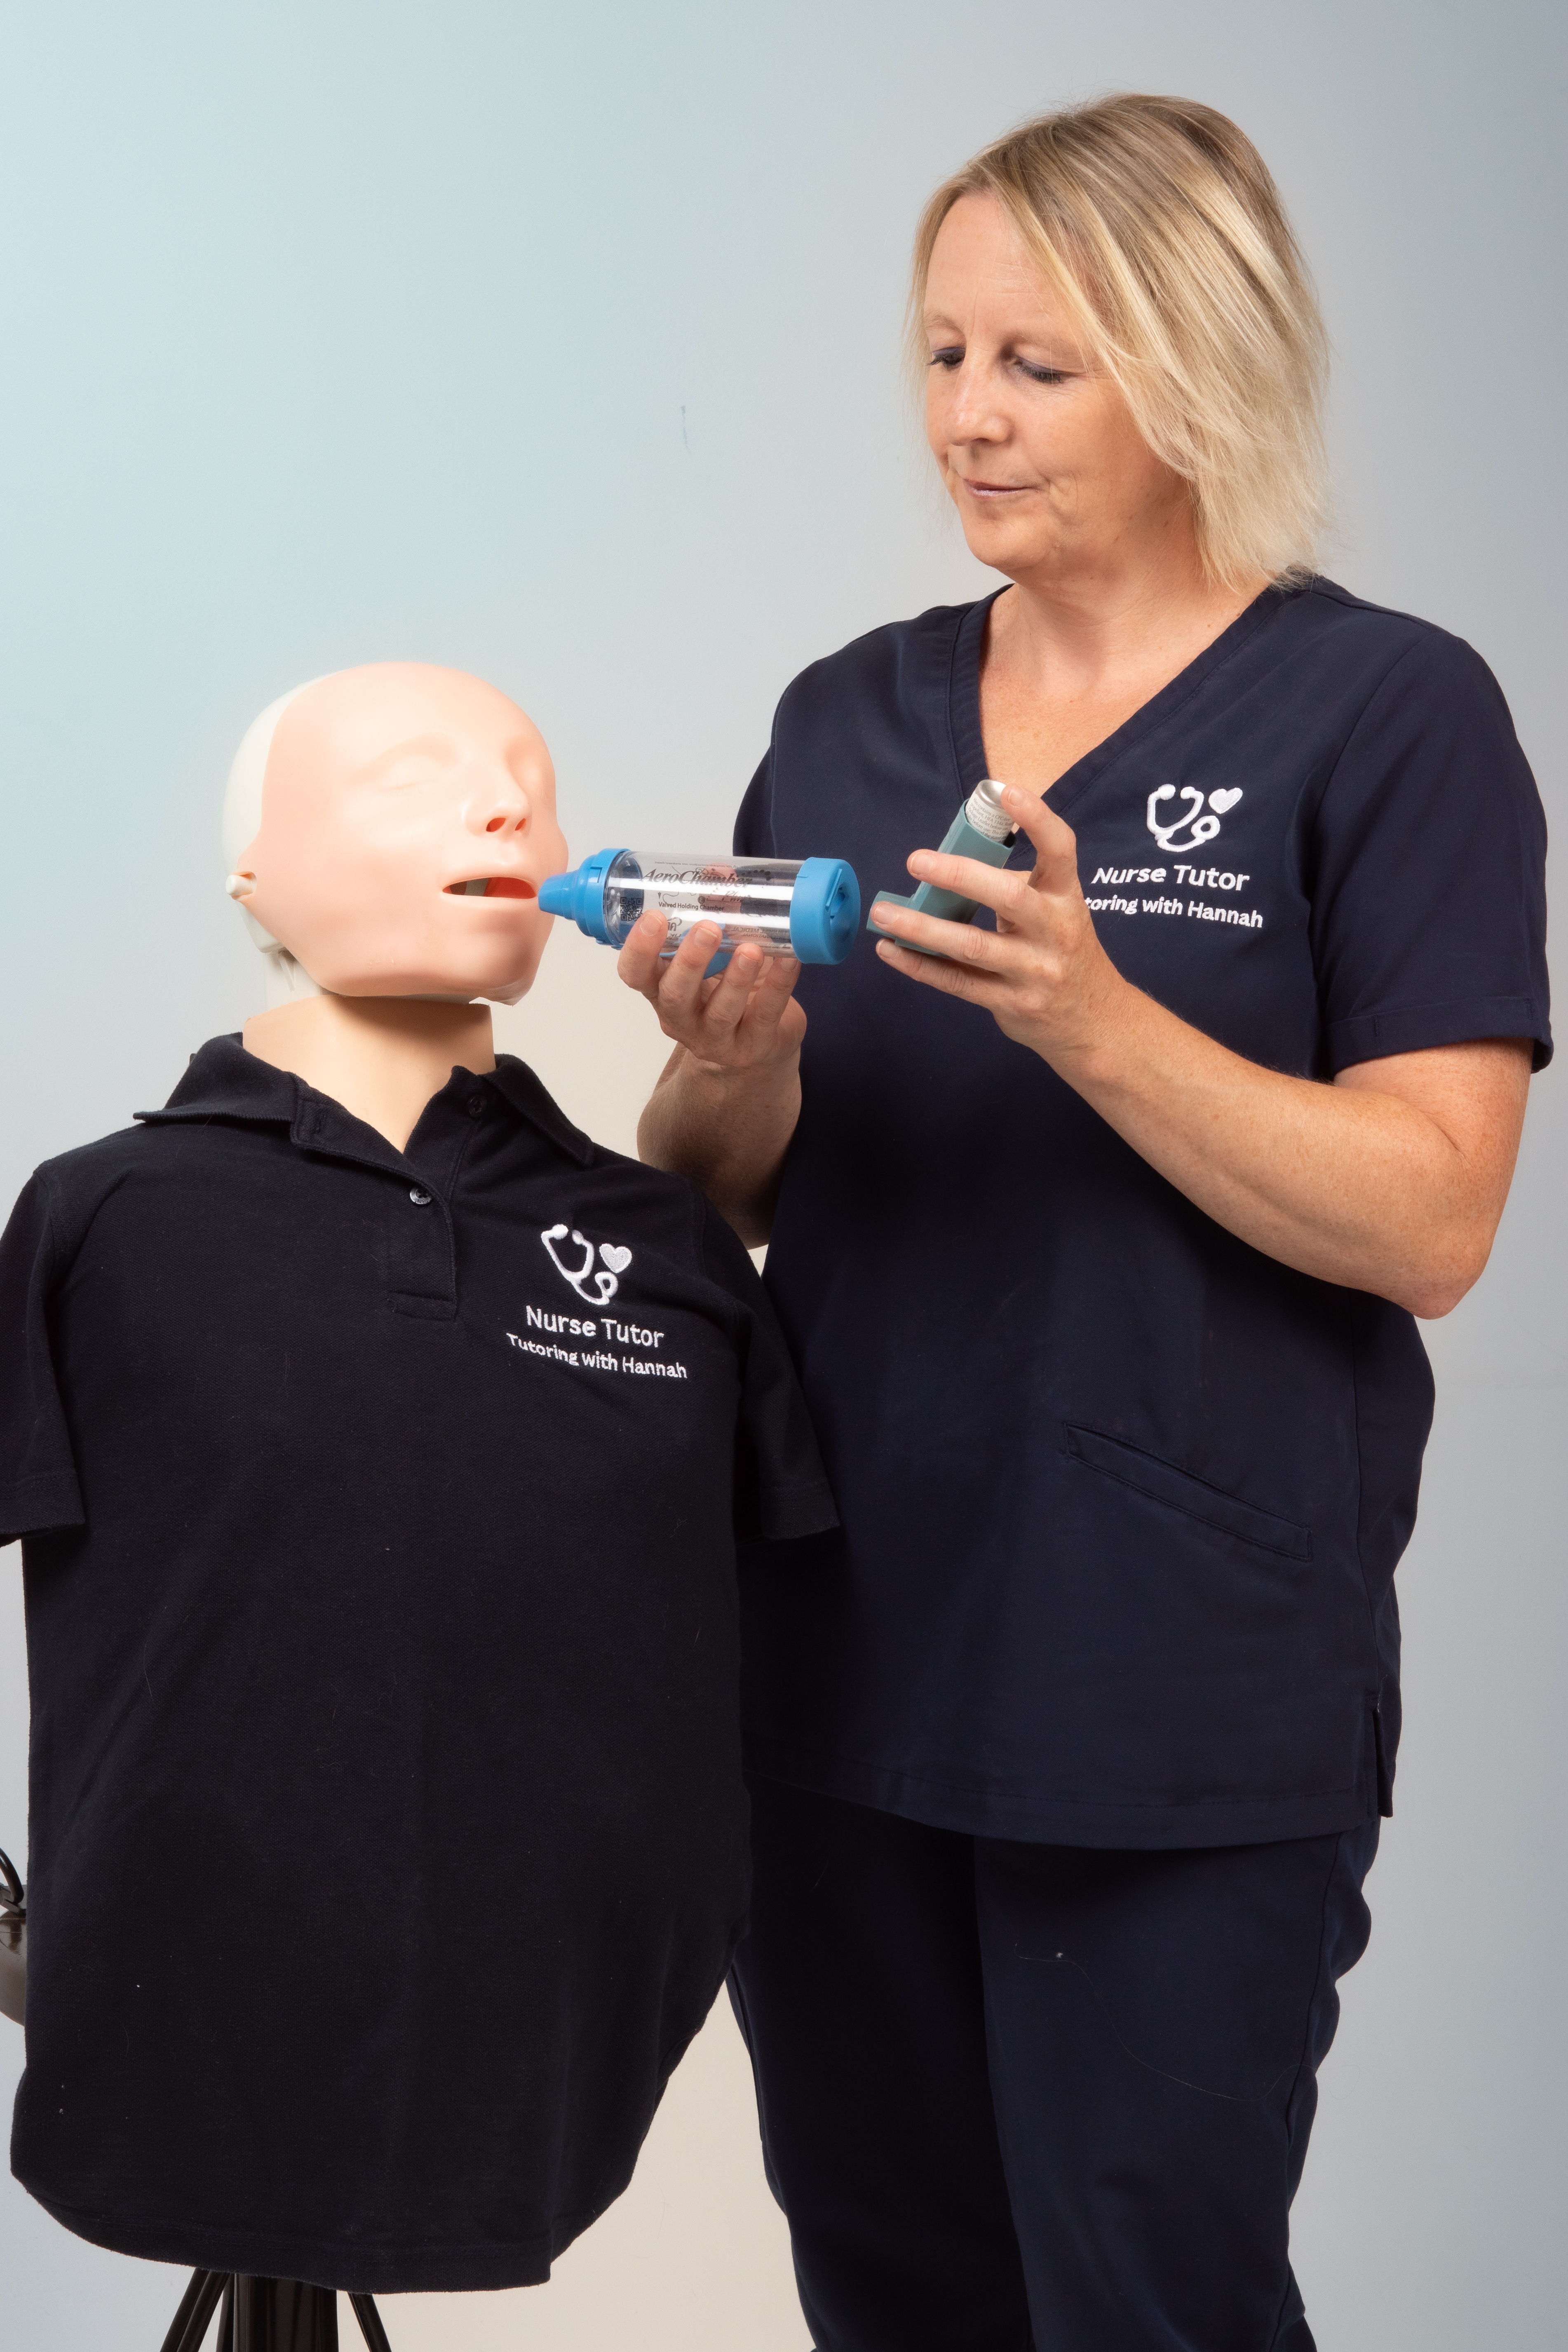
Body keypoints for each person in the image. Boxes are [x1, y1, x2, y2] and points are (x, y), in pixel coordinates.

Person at [617, 95, 1550, 2352]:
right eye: (939, 356)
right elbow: (717, 1193)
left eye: (1035, 362)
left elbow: (1431, 1216)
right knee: (894, 2298)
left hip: (1166, 1683)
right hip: (830, 1657)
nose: (964, 416)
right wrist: (723, 1056)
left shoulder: (1383, 714)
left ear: (1194, 354)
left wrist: (1094, 1016)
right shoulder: (846, 717)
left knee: (1145, 2302)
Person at [0, 664, 835, 2303]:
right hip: (173, 2026)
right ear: (256, 875)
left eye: (531, 776)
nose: (508, 804)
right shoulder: (107, 1220)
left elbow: (778, 1629)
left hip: (553, 2056)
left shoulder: (664, 1249)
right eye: (412, 775)